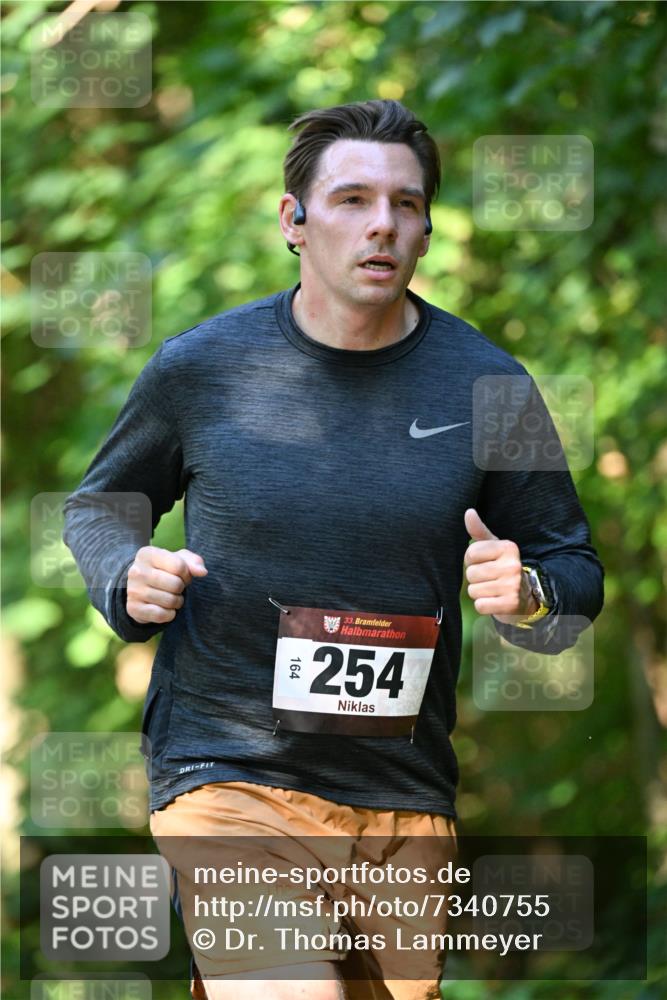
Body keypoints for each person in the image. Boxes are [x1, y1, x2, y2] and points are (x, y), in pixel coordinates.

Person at [63, 99, 604, 1000]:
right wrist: (125, 572)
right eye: (351, 198)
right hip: (227, 768)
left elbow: (572, 572)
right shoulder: (204, 368)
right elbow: (99, 507)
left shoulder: (487, 386)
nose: (381, 224)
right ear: (295, 220)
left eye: (406, 203)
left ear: (428, 228)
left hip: (400, 791)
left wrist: (530, 595)